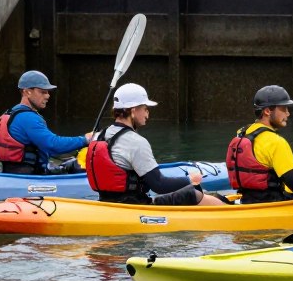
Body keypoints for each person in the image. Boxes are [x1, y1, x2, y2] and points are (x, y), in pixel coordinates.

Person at [85, 83, 225, 207]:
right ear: (133, 111)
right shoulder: (136, 142)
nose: (147, 114)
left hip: (105, 205)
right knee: (193, 193)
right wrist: (190, 180)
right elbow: (159, 184)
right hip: (136, 207)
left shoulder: (98, 136)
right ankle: (229, 210)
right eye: (145, 108)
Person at [0, 70, 92, 175]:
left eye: (48, 92)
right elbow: (53, 145)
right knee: (80, 166)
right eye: (43, 92)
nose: (48, 96)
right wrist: (85, 139)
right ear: (27, 92)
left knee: (72, 162)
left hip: (10, 173)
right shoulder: (28, 118)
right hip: (31, 177)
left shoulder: (9, 113)